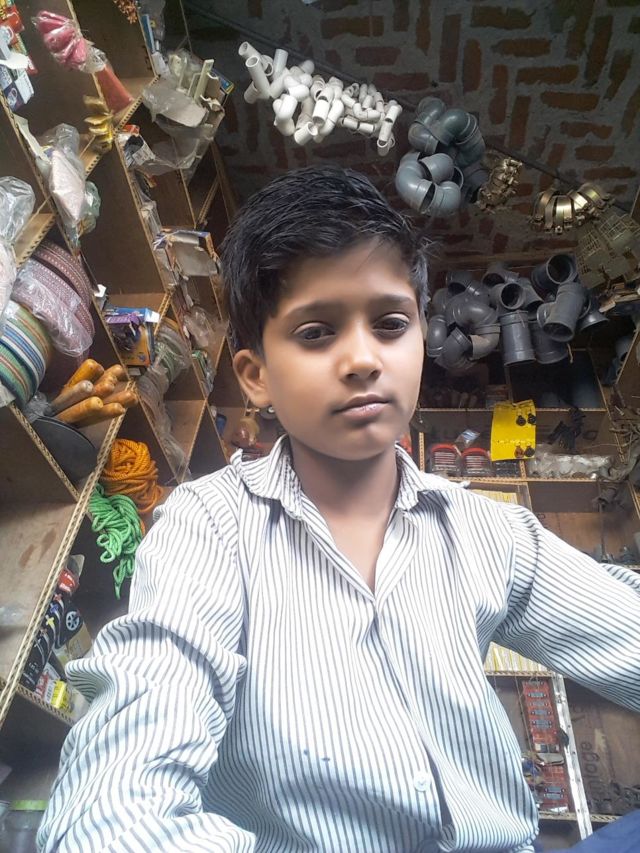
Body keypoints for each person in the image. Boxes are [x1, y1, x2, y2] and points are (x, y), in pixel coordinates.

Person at [38, 167, 640, 853]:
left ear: (421, 339)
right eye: (317, 331)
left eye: (391, 324)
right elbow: (115, 805)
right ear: (256, 377)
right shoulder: (208, 531)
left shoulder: (488, 532)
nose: (362, 359)